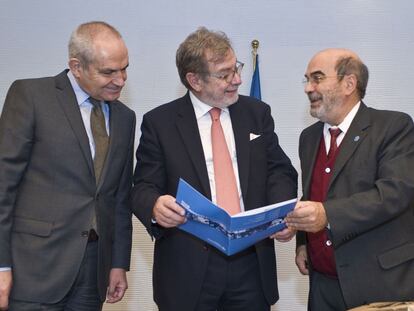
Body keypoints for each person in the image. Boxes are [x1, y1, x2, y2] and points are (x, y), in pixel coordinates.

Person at [131, 27, 297, 311]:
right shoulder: (160, 123)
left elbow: (280, 171)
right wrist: (156, 205)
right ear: (194, 80)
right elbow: (143, 187)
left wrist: (280, 216)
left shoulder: (257, 113)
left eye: (236, 68)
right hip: (188, 268)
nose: (237, 80)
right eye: (224, 74)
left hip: (251, 264)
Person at [0, 21, 135, 310]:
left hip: (92, 271)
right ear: (76, 67)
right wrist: (0, 266)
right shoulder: (32, 96)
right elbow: (3, 186)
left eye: (124, 68)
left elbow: (119, 198)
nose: (121, 79)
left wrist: (118, 263)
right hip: (33, 268)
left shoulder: (125, 117)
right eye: (108, 72)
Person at [286, 48, 414, 310]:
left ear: (349, 83)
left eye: (317, 78)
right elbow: (314, 194)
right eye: (307, 79)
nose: (308, 88)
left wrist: (327, 215)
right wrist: (303, 242)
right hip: (322, 286)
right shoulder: (308, 138)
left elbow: (394, 193)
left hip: (379, 285)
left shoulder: (393, 127)